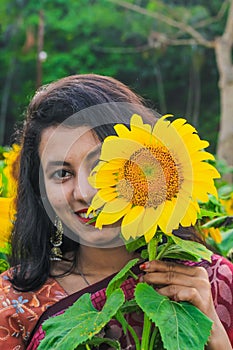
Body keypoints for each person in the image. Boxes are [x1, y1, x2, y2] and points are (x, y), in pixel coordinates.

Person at [0, 74, 232, 350]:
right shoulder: (16, 301)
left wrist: (213, 332)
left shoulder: (214, 281)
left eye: (101, 167)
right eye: (62, 173)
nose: (84, 193)